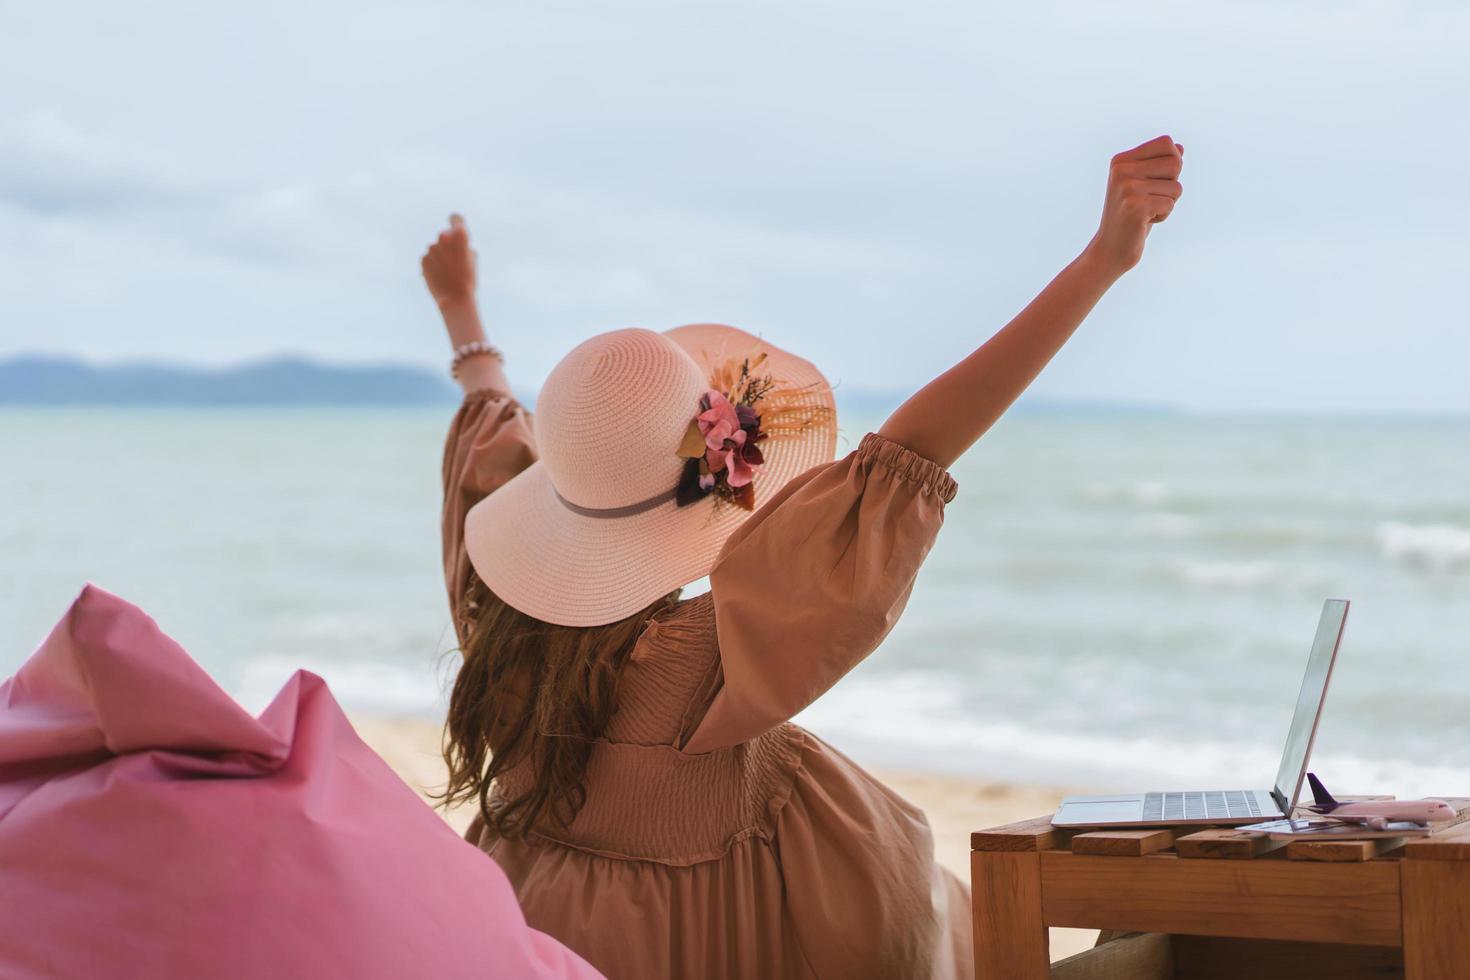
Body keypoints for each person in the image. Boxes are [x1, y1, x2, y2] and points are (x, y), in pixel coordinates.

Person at [422, 135, 1184, 980]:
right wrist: (1100, 263)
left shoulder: (503, 623)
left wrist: (462, 315)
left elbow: (491, 422)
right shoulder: (703, 661)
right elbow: (918, 448)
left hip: (527, 930)